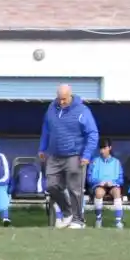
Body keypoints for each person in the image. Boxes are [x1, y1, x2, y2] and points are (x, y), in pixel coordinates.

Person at [39, 83, 98, 230]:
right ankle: (67, 212)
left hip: (75, 156)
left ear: (70, 95)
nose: (62, 102)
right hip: (54, 155)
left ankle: (78, 220)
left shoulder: (82, 111)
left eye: (64, 99)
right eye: (59, 98)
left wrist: (87, 154)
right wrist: (42, 148)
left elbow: (92, 133)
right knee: (50, 185)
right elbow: (46, 129)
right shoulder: (51, 108)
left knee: (75, 189)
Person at [87, 138, 125, 229]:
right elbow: (89, 178)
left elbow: (121, 180)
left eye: (104, 148)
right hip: (99, 186)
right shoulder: (95, 161)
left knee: (117, 191)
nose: (102, 151)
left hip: (112, 186)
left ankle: (118, 222)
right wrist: (100, 182)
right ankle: (98, 220)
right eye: (101, 148)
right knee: (99, 192)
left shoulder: (116, 162)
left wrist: (113, 182)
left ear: (110, 148)